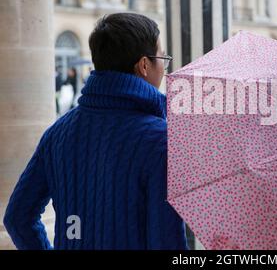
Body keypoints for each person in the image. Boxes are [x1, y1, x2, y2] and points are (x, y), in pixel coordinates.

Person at [3, 13, 187, 250]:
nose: (164, 66)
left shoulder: (58, 133)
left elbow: (18, 218)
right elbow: (166, 242)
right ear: (143, 65)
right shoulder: (162, 141)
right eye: (162, 57)